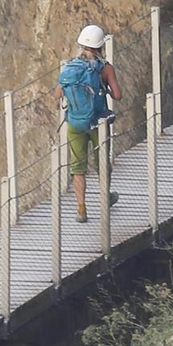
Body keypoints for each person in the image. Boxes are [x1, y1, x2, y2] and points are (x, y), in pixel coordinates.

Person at [59, 23, 120, 222]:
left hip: (75, 124)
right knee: (102, 161)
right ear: (101, 46)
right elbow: (118, 95)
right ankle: (105, 198)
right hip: (97, 123)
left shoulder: (70, 67)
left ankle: (81, 209)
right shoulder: (105, 68)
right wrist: (106, 89)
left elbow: (58, 94)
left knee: (77, 167)